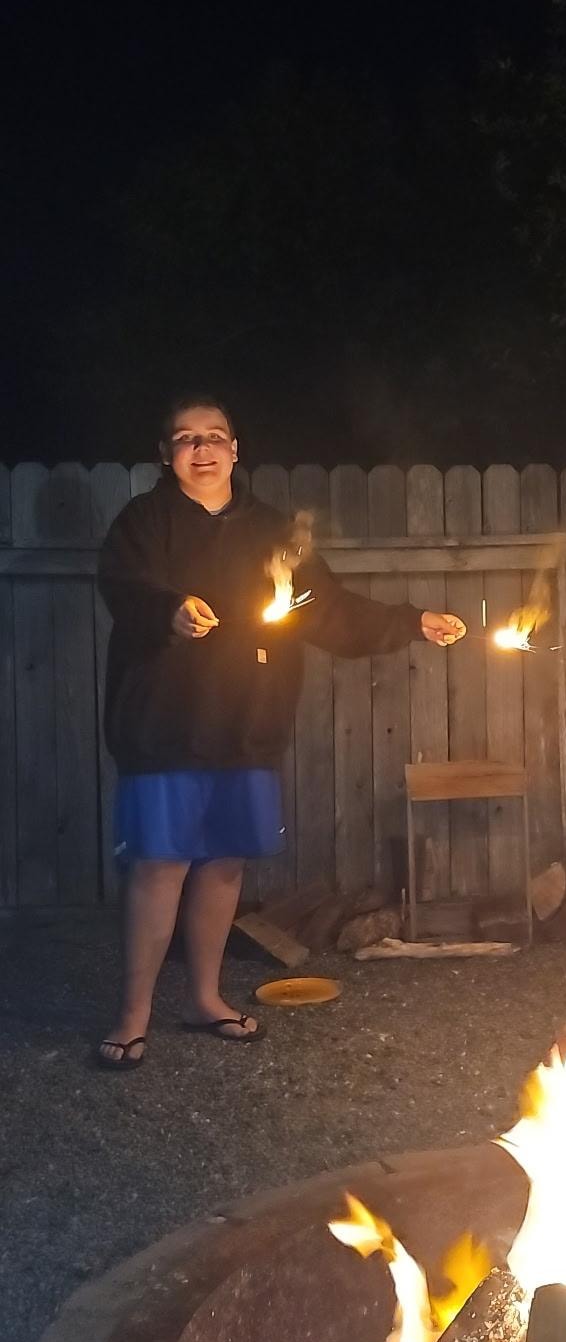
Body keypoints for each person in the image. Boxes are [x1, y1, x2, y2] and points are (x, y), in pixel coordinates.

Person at [95, 394, 466, 1069]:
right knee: (160, 865)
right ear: (165, 454)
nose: (201, 450)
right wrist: (168, 611)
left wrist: (411, 621)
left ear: (236, 450)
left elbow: (329, 612)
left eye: (215, 437)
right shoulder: (142, 523)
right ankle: (133, 1014)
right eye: (185, 439)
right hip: (164, 725)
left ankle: (204, 998)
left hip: (248, 723)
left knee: (226, 862)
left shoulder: (272, 532)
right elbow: (123, 587)